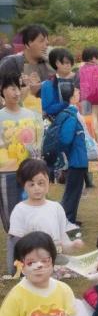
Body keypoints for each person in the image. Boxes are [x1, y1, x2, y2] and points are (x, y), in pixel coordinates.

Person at [0, 74, 43, 263]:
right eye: (11, 88)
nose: (16, 92)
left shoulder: (31, 116)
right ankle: (15, 262)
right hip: (6, 173)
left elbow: (37, 143)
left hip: (29, 173)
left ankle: (31, 258)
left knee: (33, 214)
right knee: (11, 220)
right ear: (2, 92)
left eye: (18, 87)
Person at [9, 158, 84, 264]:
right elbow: (16, 243)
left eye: (41, 183)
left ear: (48, 182)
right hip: (33, 262)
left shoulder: (56, 208)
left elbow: (63, 238)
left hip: (56, 258)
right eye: (31, 184)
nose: (37, 188)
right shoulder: (20, 210)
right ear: (24, 186)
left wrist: (73, 245)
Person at [57, 82, 88, 226]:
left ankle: (71, 219)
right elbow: (65, 139)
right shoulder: (70, 115)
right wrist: (70, 154)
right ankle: (67, 221)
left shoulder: (72, 113)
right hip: (75, 160)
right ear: (70, 97)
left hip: (78, 159)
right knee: (72, 192)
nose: (79, 93)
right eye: (76, 92)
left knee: (75, 192)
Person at [0, 24, 51, 113]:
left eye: (47, 41)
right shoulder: (11, 63)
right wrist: (28, 90)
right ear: (28, 44)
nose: (46, 45)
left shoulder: (46, 65)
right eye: (41, 41)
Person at [40, 48, 76, 118]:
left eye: (70, 62)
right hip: (59, 122)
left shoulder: (78, 78)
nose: (68, 65)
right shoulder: (49, 84)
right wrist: (67, 103)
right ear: (57, 63)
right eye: (65, 62)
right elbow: (48, 108)